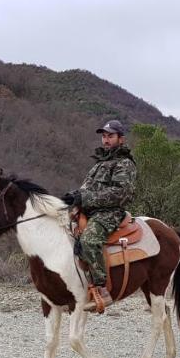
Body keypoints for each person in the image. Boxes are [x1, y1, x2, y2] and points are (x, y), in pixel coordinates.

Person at [60, 120, 137, 313]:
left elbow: (120, 194)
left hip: (110, 212)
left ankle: (101, 288)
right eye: (104, 136)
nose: (106, 140)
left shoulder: (125, 164)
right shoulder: (100, 163)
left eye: (110, 136)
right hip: (90, 210)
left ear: (121, 139)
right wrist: (74, 197)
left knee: (89, 240)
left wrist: (84, 197)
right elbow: (86, 187)